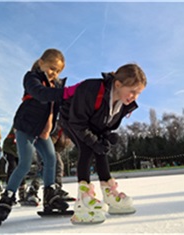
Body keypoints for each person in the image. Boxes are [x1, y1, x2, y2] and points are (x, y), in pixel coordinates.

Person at [0, 48, 79, 225]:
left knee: (50, 158)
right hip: (25, 126)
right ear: (41, 63)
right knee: (25, 164)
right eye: (51, 68)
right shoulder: (31, 78)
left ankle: (50, 195)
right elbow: (40, 93)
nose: (53, 73)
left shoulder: (56, 85)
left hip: (43, 130)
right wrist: (66, 92)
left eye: (57, 71)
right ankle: (7, 196)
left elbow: (59, 106)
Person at [60, 63, 147, 224]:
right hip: (72, 119)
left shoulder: (122, 104)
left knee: (101, 151)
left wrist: (106, 138)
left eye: (138, 93)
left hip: (91, 124)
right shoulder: (92, 89)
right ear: (118, 84)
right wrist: (95, 141)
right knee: (87, 149)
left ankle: (109, 195)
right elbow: (78, 122)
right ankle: (83, 201)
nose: (134, 96)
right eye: (132, 91)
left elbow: (105, 125)